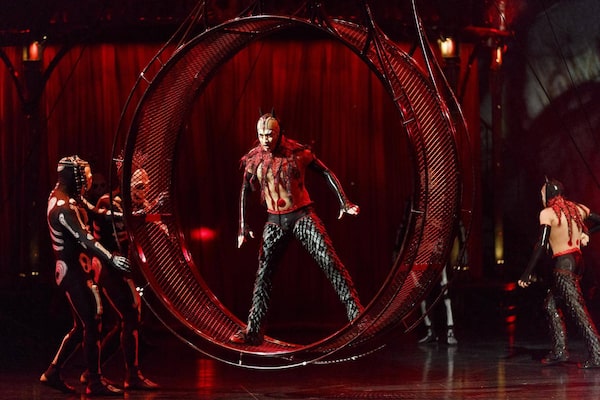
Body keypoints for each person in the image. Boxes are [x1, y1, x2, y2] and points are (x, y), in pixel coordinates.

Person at [229, 112, 364, 345]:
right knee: (263, 276)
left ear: (279, 133)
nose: (265, 140)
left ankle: (357, 315)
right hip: (274, 221)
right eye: (261, 135)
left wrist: (344, 202)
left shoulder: (298, 154)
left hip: (302, 216)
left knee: (329, 261)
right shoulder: (255, 160)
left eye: (270, 134)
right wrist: (243, 226)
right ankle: (253, 331)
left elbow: (325, 172)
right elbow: (245, 191)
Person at [41, 155, 131, 396]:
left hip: (77, 270)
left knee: (83, 325)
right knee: (92, 322)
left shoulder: (68, 198)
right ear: (74, 176)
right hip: (71, 272)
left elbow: (97, 213)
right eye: (86, 175)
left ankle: (52, 372)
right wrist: (111, 258)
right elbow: (85, 238)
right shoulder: (63, 207)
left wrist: (129, 216)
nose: (89, 180)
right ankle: (94, 381)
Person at [81, 155, 159, 391]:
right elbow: (114, 231)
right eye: (139, 187)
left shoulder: (133, 205)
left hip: (120, 268)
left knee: (129, 319)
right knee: (130, 315)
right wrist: (146, 214)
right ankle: (130, 375)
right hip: (106, 267)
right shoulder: (109, 202)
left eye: (146, 187)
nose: (144, 192)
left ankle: (92, 371)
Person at [518, 178, 600, 368]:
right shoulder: (578, 208)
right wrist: (587, 233)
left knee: (578, 311)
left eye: (542, 193)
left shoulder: (547, 214)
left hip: (564, 265)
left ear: (549, 194)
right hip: (577, 262)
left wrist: (527, 273)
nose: (541, 197)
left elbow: (541, 244)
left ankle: (597, 352)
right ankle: (559, 351)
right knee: (551, 305)